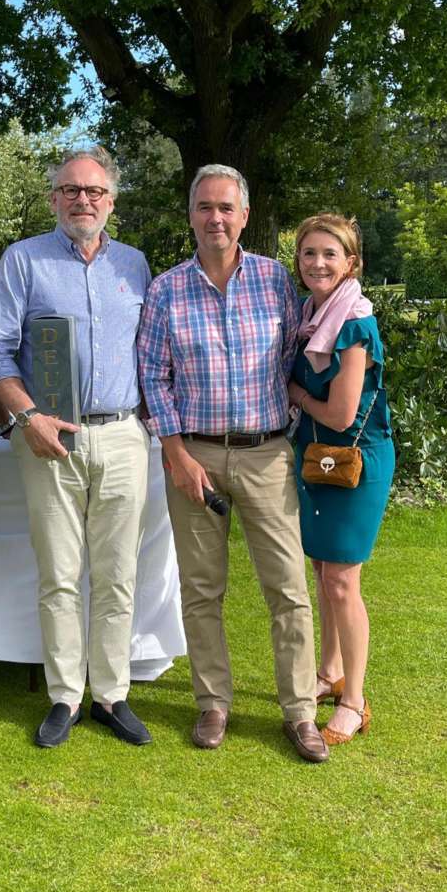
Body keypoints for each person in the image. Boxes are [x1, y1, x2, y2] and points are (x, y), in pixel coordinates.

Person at [137, 164, 328, 762]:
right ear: (190, 214)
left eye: (226, 208)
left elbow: (301, 353)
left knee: (288, 588)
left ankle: (300, 712)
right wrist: (174, 452)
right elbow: (153, 377)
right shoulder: (166, 289)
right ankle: (213, 702)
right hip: (193, 455)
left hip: (267, 454)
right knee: (201, 589)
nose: (215, 218)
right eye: (204, 207)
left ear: (244, 216)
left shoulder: (275, 281)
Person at [0, 146, 153, 748]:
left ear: (111, 202)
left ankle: (111, 695)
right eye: (71, 190)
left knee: (118, 575)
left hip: (123, 435)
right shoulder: (23, 260)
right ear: (54, 198)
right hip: (49, 436)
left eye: (95, 191)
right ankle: (64, 696)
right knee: (59, 574)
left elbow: (151, 349)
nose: (84, 200)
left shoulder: (134, 264)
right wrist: (27, 418)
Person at [287, 213, 395, 745]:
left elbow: (341, 412)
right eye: (309, 253)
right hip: (316, 458)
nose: (318, 263)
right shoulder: (308, 315)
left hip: (356, 461)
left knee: (342, 580)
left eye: (330, 254)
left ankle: (354, 699)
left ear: (351, 263)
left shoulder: (353, 324)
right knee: (323, 569)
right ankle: (329, 672)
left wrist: (296, 395)